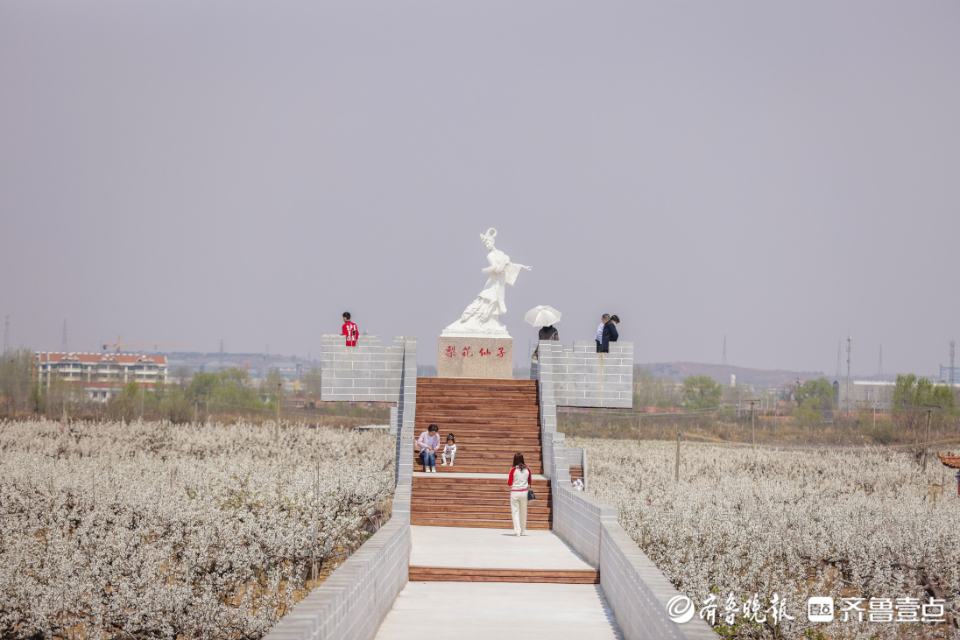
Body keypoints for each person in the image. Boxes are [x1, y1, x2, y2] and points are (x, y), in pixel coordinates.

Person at [507, 452, 532, 536]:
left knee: (515, 512)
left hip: (515, 492)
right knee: (523, 512)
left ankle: (517, 531)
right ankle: (523, 531)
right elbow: (530, 481)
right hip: (524, 492)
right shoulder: (528, 469)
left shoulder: (513, 470)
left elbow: (509, 483)